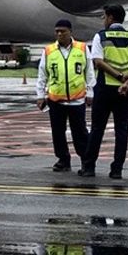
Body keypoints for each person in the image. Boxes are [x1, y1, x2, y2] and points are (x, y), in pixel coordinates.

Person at [81, 5, 128, 180]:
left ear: (110, 18)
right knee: (122, 130)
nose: (104, 20)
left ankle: (89, 167)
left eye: (104, 17)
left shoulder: (101, 37)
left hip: (106, 88)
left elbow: (98, 61)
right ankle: (117, 169)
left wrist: (118, 76)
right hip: (127, 90)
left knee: (97, 129)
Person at [35, 19, 93, 173]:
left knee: (80, 132)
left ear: (70, 32)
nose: (59, 34)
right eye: (57, 31)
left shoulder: (82, 48)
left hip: (77, 100)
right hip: (56, 99)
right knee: (58, 132)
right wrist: (40, 95)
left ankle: (85, 160)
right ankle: (63, 159)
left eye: (63, 31)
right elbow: (42, 74)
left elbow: (89, 72)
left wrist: (91, 92)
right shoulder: (48, 51)